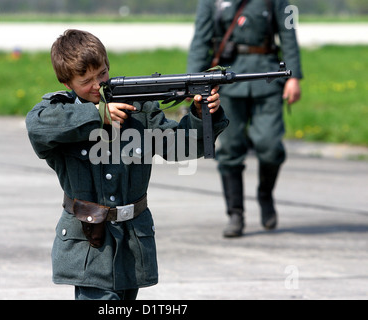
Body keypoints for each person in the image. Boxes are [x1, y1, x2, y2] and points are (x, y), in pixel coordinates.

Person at [25, 29, 229, 300]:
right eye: (86, 81)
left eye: (102, 74)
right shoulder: (60, 113)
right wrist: (98, 116)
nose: (98, 85)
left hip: (132, 245)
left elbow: (180, 146)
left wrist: (202, 114)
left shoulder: (138, 109)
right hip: (88, 246)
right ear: (67, 84)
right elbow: (37, 127)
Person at [188, 0, 303, 237]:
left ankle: (265, 194)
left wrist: (294, 76)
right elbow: (201, 39)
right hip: (227, 80)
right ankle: (235, 213)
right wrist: (194, 82)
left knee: (270, 146)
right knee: (230, 148)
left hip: (267, 77)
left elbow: (288, 35)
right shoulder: (211, 2)